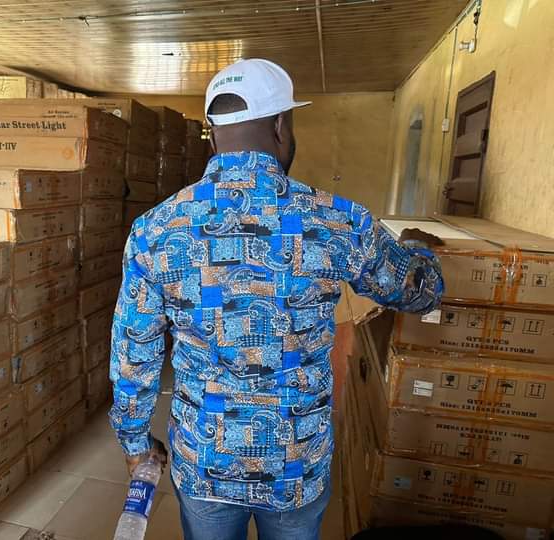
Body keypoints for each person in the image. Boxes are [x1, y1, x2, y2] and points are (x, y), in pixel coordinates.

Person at [109, 58, 444, 540]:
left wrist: (136, 442)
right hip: (295, 465)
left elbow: (133, 351)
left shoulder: (155, 230)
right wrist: (418, 250)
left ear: (211, 134)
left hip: (205, 463)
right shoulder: (338, 221)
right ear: (282, 126)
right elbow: (418, 291)